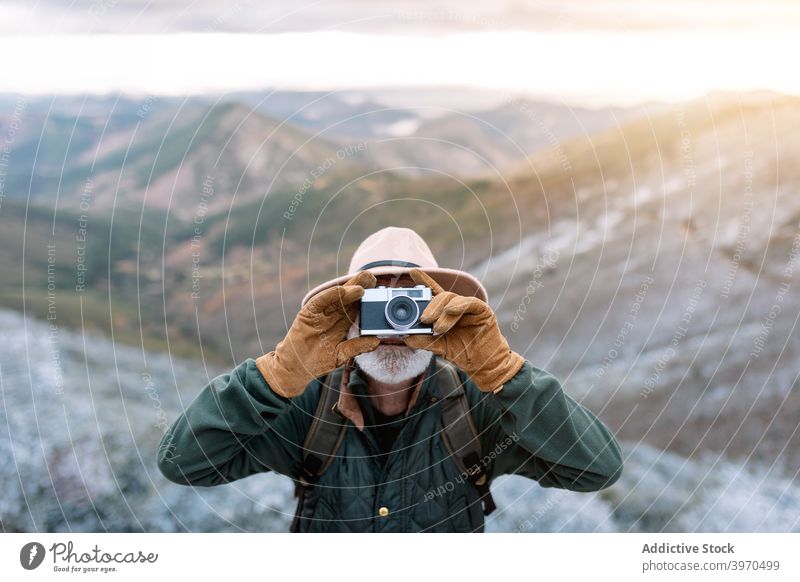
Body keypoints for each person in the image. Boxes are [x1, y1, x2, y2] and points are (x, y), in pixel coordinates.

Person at [157, 227, 623, 532]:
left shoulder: (480, 407)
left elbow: (596, 468)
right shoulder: (305, 406)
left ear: (441, 311)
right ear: (346, 314)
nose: (395, 323)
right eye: (375, 303)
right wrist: (276, 375)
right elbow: (184, 462)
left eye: (411, 304)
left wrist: (505, 372)